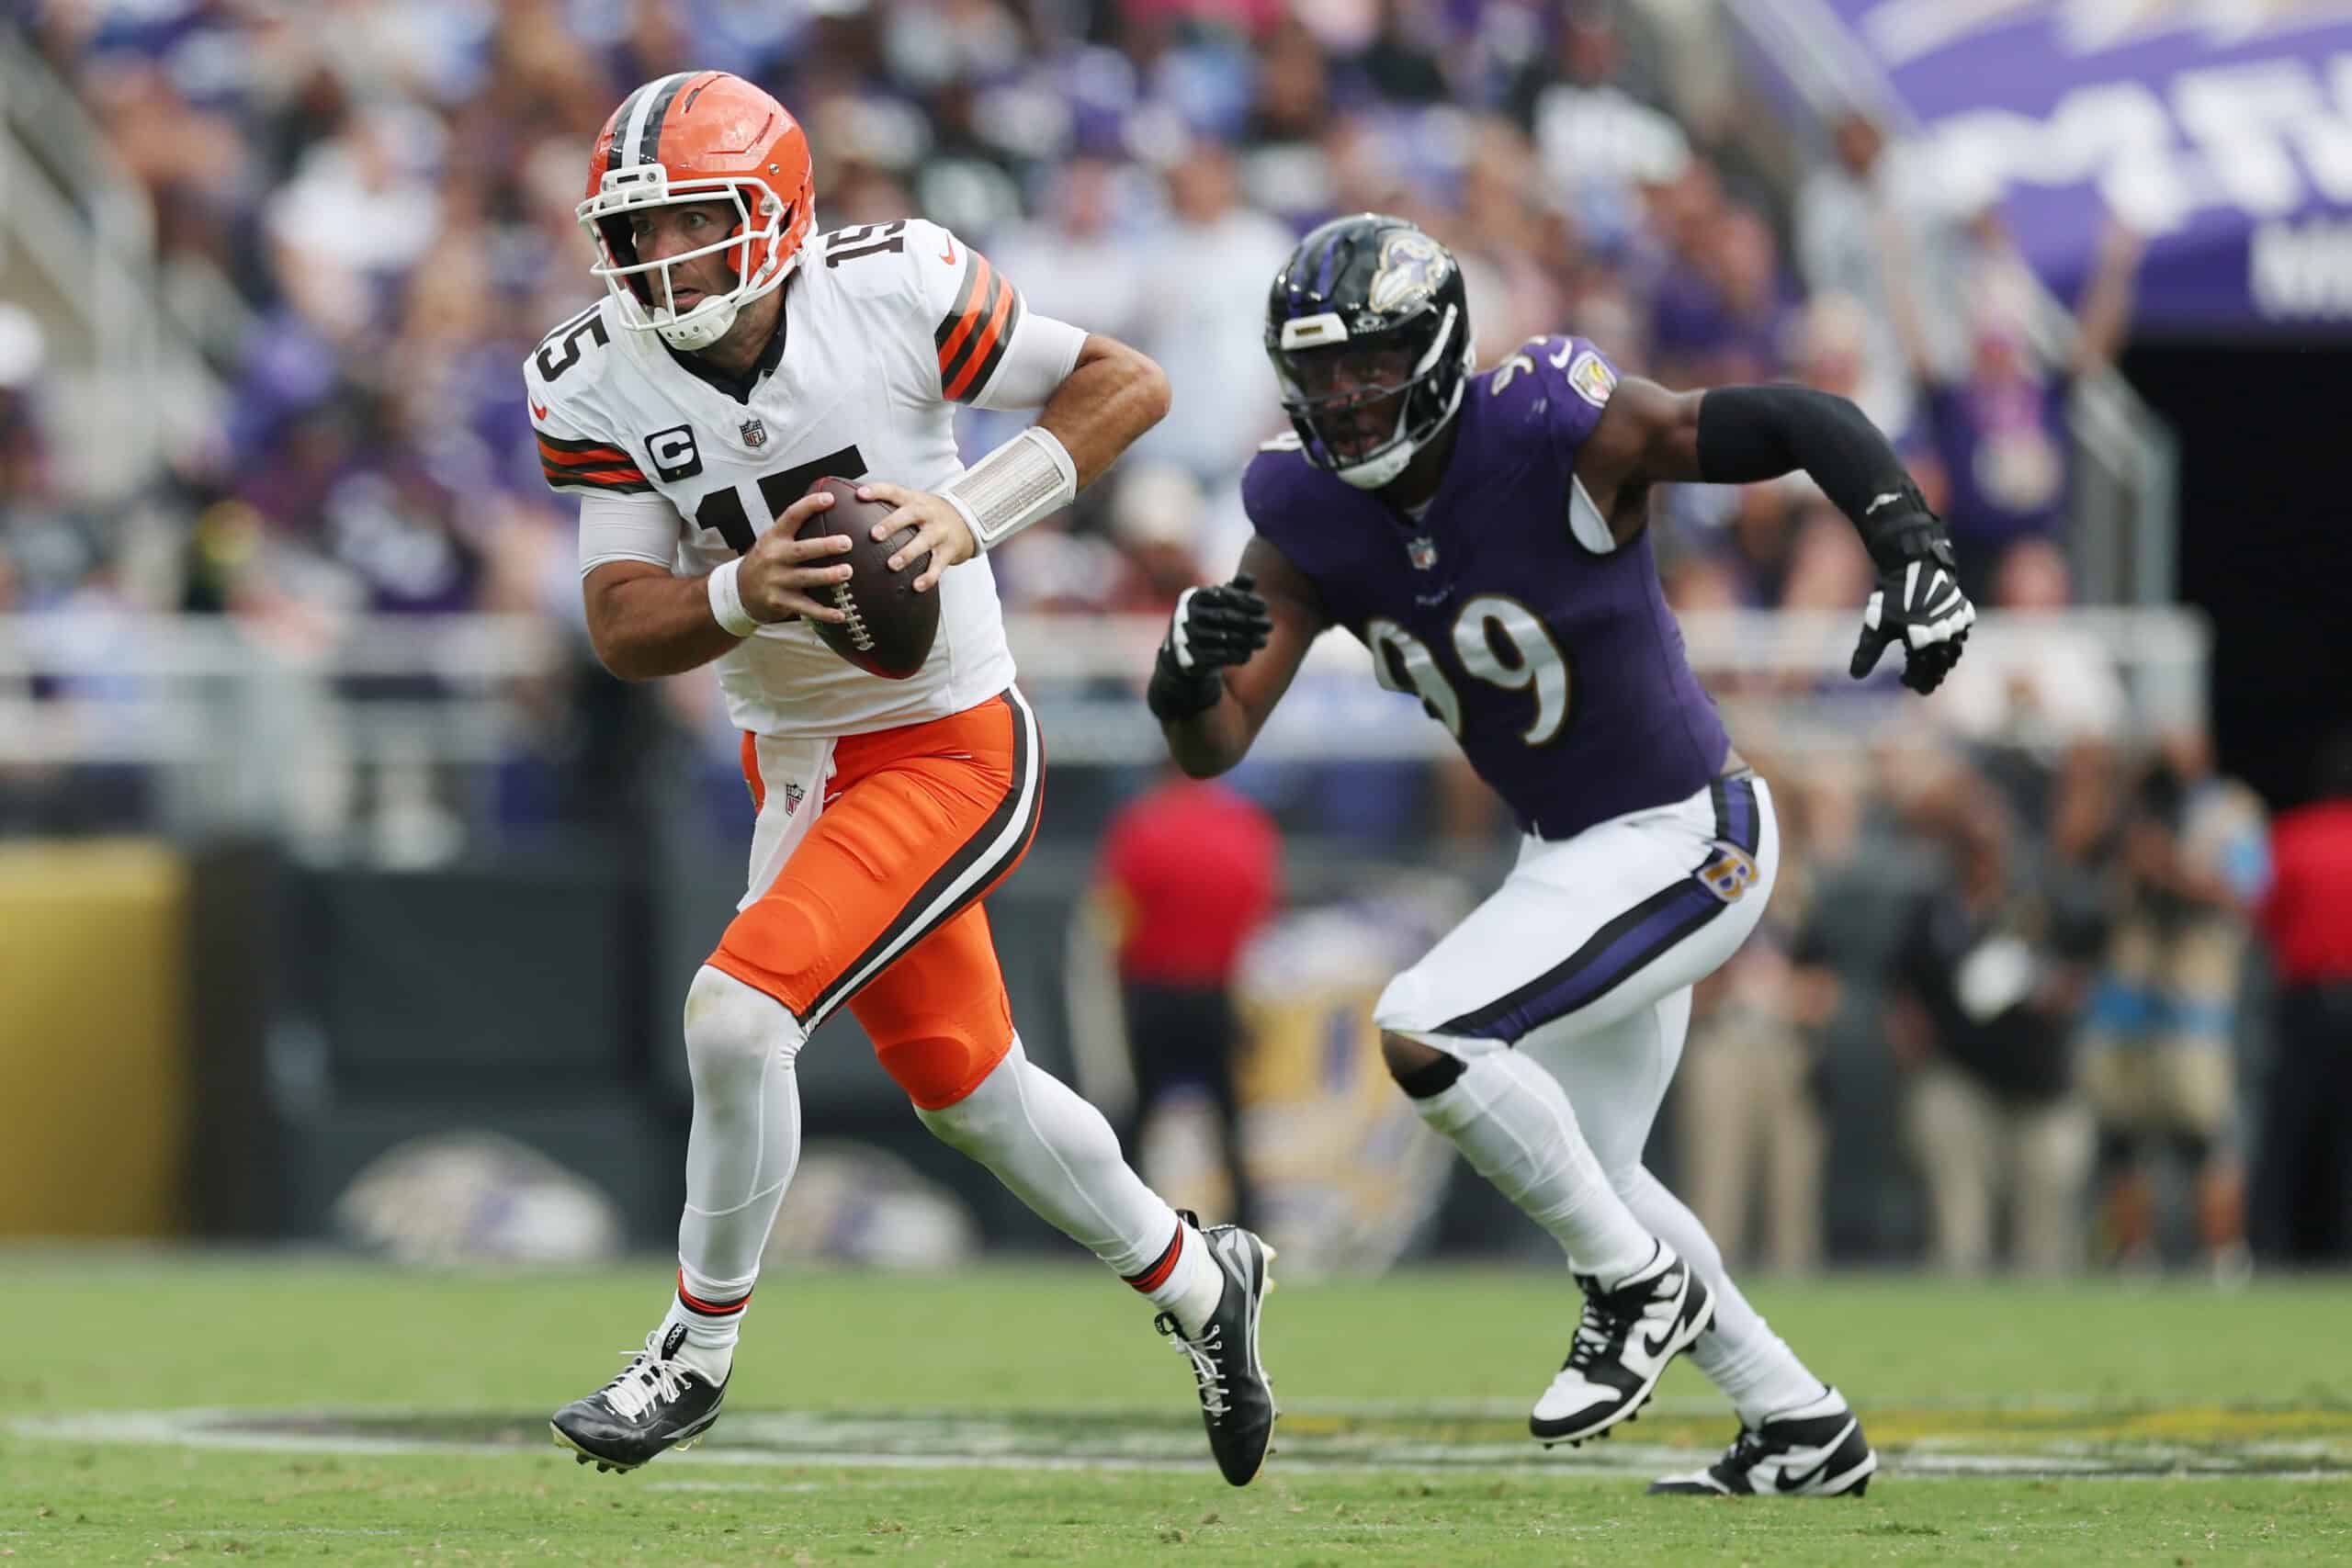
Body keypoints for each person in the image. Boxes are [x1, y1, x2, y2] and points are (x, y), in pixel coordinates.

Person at [1148, 213, 1975, 1496]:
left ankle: (1632, 1286)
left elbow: (1804, 415)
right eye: (1319, 374)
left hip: (1691, 830)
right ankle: (1797, 1420)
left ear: (1434, 350)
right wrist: (1179, 673)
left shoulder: (1551, 423)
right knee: (1601, 1167)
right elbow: (1217, 738)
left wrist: (1912, 543)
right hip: (1569, 857)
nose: (1346, 400)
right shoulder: (1300, 507)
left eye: (1370, 365)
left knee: (1428, 1026)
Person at [526, 73, 1275, 1485]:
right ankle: (1200, 1281)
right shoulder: (598, 373)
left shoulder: (896, 285)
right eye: (635, 231)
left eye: (688, 221)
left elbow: (1129, 382)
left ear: (774, 214)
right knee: (967, 1086)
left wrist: (965, 512)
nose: (655, 259)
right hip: (797, 756)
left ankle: (692, 1352)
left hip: (949, 738)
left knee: (737, 1017)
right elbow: (624, 620)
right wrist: (742, 588)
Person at [1093, 762, 1284, 1229]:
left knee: (1141, 1113)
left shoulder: (1142, 822)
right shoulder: (1243, 822)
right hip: (1217, 989)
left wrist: (1123, 969)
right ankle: (1247, 1223)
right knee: (1228, 1118)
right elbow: (1261, 903)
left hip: (1152, 988)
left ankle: (1119, 1222)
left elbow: (1115, 908)